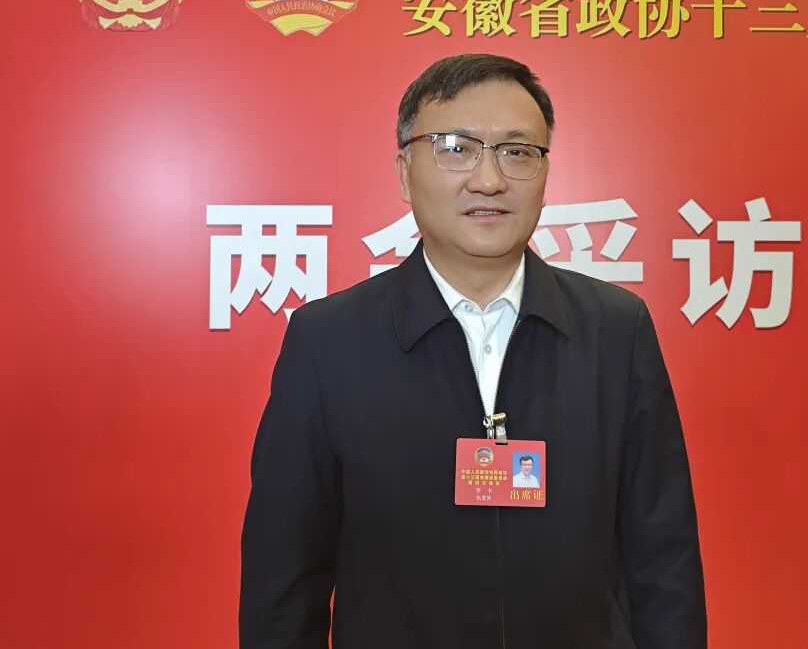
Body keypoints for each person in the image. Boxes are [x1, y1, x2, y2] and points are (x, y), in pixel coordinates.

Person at [239, 53, 706, 649]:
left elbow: (663, 560)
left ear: (545, 172)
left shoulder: (615, 330)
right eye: (456, 148)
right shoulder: (327, 342)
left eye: (517, 151)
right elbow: (284, 583)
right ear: (405, 171)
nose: (489, 179)